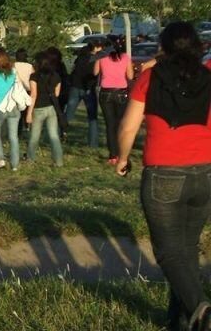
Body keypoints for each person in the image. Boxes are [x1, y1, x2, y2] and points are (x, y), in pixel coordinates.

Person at [117, 22, 211, 331]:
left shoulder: (149, 78)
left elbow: (129, 126)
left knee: (168, 251)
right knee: (185, 250)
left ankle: (200, 307)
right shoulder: (208, 77)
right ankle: (181, 322)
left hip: (164, 172)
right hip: (205, 171)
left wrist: (123, 157)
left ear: (164, 46)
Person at [95, 39, 134, 163]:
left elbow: (95, 72)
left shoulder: (101, 57)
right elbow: (130, 76)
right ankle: (123, 153)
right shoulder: (125, 57)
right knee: (121, 124)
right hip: (121, 92)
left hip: (106, 92)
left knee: (110, 125)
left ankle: (113, 155)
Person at [0, 48, 21, 170]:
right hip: (13, 107)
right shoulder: (14, 72)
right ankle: (15, 165)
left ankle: (1, 158)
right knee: (13, 136)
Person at [27, 51, 64, 167]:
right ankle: (58, 161)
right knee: (54, 135)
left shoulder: (34, 76)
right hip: (51, 108)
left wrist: (28, 113)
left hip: (38, 108)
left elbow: (33, 95)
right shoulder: (56, 75)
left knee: (34, 135)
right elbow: (57, 94)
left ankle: (31, 158)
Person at [66, 40, 104, 148]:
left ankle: (60, 133)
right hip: (88, 88)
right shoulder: (95, 59)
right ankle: (93, 143)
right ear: (96, 48)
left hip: (75, 86)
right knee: (92, 118)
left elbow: (74, 71)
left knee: (68, 114)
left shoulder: (80, 57)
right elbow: (95, 73)